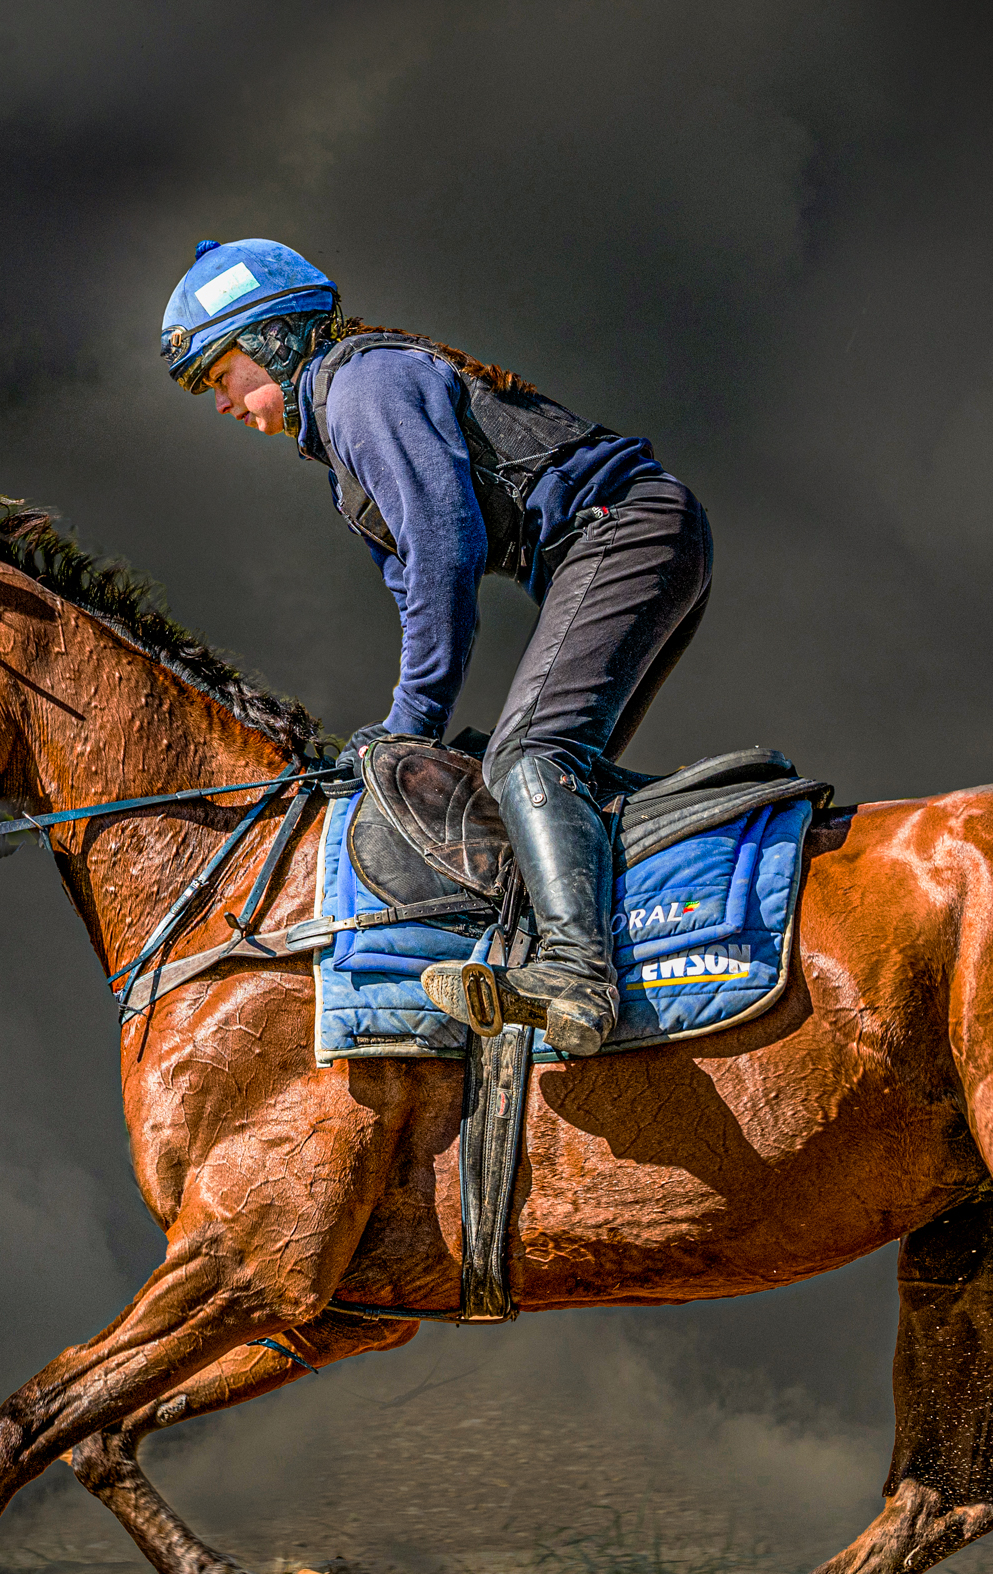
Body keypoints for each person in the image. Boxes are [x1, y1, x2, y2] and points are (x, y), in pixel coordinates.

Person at [157, 238, 712, 1057]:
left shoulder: (361, 389)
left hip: (626, 531)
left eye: (218, 374)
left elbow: (443, 553)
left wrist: (409, 721)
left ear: (272, 339)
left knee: (531, 757)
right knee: (533, 771)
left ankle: (574, 974)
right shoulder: (339, 444)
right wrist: (410, 724)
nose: (220, 403)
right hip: (625, 539)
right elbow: (414, 585)